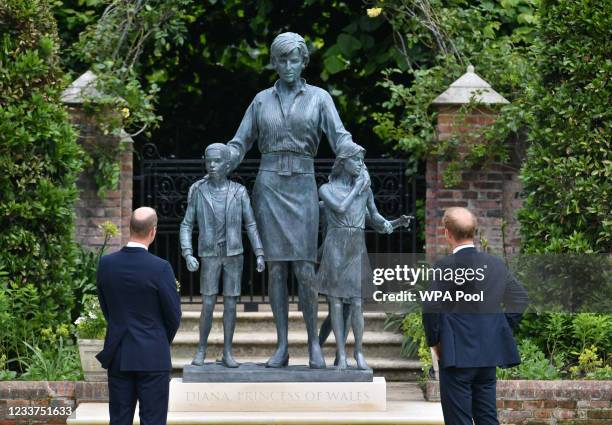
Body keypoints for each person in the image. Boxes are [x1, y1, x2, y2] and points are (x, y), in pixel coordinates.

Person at [225, 32, 369, 368]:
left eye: (295, 60)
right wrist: (222, 161)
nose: (288, 66)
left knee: (305, 269)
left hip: (303, 186)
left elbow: (340, 137)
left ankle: (313, 346)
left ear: (304, 62)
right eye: (282, 60)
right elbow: (240, 141)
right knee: (276, 269)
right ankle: (282, 346)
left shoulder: (319, 98)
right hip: (270, 186)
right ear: (274, 62)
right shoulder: (261, 100)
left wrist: (358, 161)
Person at [422, 207, 528, 425]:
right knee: (487, 418)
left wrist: (435, 342)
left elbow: (431, 307)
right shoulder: (496, 265)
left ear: (447, 233)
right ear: (474, 232)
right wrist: (499, 327)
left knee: (458, 420)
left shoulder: (445, 267)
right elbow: (520, 299)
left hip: (456, 355)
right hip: (487, 354)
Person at [317, 143, 402, 370]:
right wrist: (357, 188)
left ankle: (359, 352)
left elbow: (375, 218)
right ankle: (341, 355)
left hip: (356, 246)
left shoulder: (365, 190)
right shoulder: (326, 189)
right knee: (335, 303)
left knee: (356, 303)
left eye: (362, 161)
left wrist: (393, 223)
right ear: (343, 162)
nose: (361, 165)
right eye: (356, 160)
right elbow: (340, 208)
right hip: (335, 246)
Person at [179, 143, 265, 368]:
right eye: (209, 161)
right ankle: (201, 349)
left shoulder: (239, 191)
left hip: (234, 254)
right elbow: (187, 225)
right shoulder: (199, 191)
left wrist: (259, 252)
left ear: (227, 165)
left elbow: (251, 224)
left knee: (230, 304)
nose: (212, 165)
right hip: (209, 254)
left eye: (217, 161)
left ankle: (227, 352)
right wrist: (188, 253)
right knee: (207, 304)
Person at [96, 207, 182, 425]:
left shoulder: (106, 264)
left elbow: (106, 307)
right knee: (153, 421)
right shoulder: (160, 268)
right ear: (153, 231)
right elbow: (173, 315)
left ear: (129, 228)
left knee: (119, 420)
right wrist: (158, 339)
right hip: (153, 355)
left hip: (119, 353)